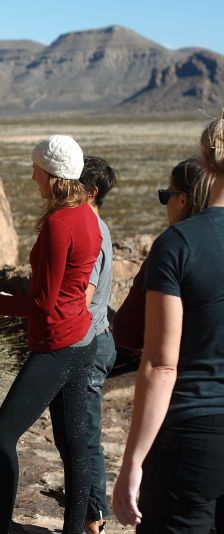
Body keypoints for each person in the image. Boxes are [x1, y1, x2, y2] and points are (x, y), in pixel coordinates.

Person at [0, 135, 102, 534]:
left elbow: (42, 303)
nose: (33, 177)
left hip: (58, 344)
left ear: (51, 174)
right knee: (74, 442)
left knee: (0, 436)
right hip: (83, 339)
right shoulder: (87, 214)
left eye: (36, 170)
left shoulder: (60, 224)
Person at [113, 114, 224, 532]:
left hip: (194, 432)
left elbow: (161, 365)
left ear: (205, 162)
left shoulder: (179, 243)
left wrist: (132, 463)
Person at [113, 159, 214, 352]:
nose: (165, 204)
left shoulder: (171, 248)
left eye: (165, 196)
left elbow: (126, 332)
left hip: (189, 370)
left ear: (183, 200)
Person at [72, 156, 118, 534]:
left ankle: (93, 520)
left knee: (85, 435)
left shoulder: (93, 233)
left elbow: (81, 298)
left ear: (92, 191)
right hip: (94, 340)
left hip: (91, 343)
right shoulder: (95, 227)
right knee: (78, 432)